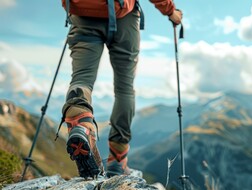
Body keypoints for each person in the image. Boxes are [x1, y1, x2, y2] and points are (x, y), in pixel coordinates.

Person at [59, 0, 183, 179]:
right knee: (124, 89)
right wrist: (171, 11)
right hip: (124, 17)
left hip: (83, 14)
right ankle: (118, 159)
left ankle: (81, 122)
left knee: (82, 78)